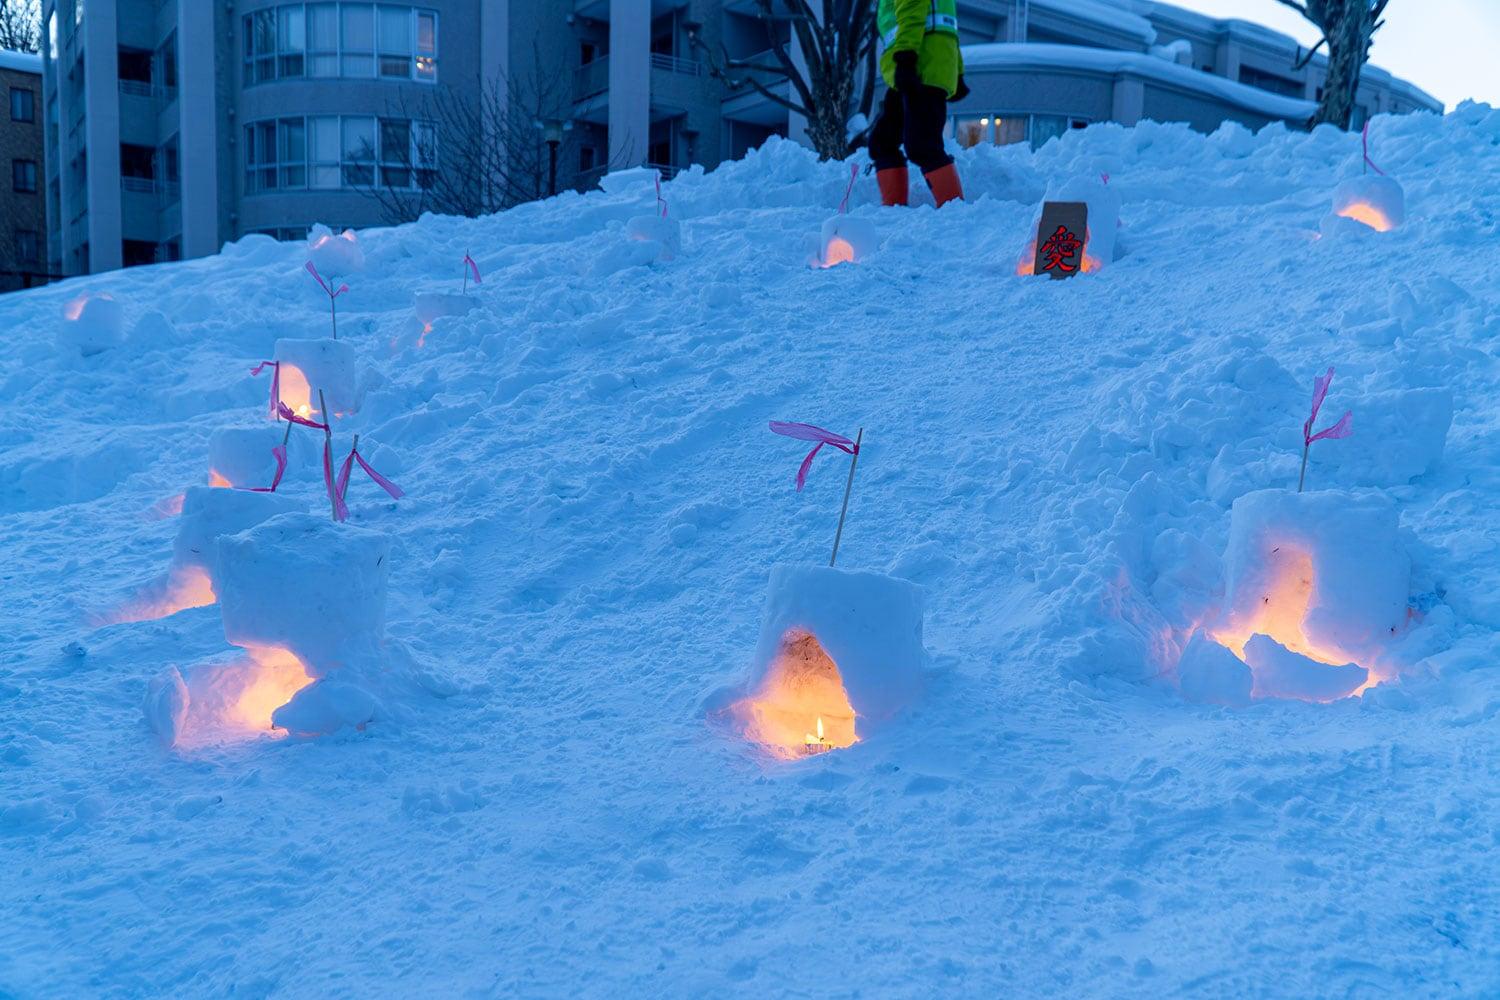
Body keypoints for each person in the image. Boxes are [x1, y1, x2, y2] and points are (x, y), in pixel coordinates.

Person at [870, 0, 969, 208]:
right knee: (883, 142)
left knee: (923, 145)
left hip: (920, 66)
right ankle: (893, 211)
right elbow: (949, 27)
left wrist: (906, 57)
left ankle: (956, 212)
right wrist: (957, 71)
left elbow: (912, 9)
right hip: (923, 65)